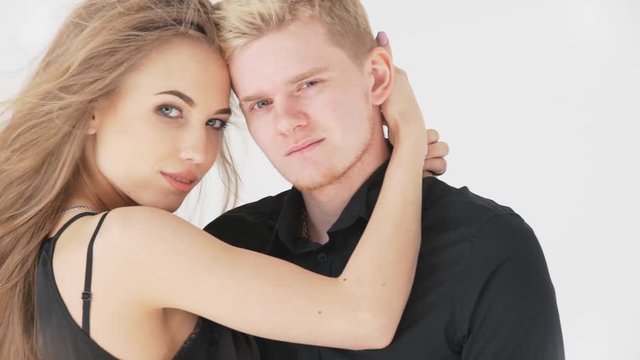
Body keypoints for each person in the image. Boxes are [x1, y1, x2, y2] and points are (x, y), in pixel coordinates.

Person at [0, 1, 447, 359]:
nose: (198, 152)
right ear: (91, 106)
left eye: (215, 122)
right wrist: (405, 140)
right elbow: (364, 317)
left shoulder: (47, 258)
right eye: (169, 110)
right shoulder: (126, 241)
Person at [205, 0, 565, 359]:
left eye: (307, 84)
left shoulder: (486, 245)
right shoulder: (229, 247)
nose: (287, 122)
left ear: (377, 76)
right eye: (261, 104)